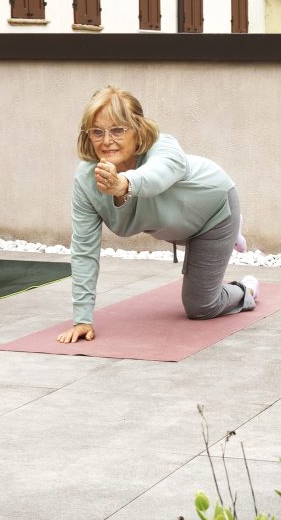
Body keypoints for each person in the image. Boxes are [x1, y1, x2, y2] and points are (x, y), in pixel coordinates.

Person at [57, 86, 257, 344]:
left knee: (201, 307)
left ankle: (247, 287)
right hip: (174, 222)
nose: (106, 140)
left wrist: (123, 184)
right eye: (97, 131)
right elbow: (84, 249)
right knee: (169, 221)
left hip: (215, 212)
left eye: (117, 129)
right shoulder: (87, 179)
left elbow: (157, 176)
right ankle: (231, 240)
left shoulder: (164, 148)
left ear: (138, 130)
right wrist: (82, 319)